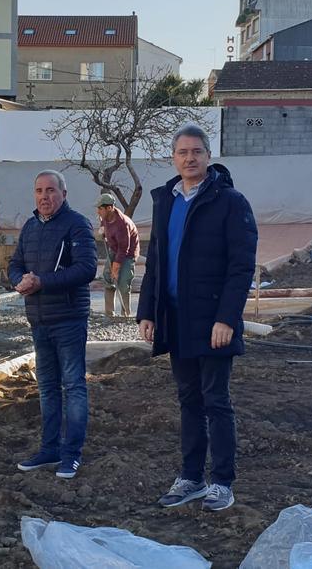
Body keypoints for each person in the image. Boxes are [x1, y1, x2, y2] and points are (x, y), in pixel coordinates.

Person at [136, 123, 257, 512]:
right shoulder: (166, 201)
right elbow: (156, 260)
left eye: (196, 152)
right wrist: (147, 311)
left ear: (208, 156)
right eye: (182, 153)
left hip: (213, 321)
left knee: (215, 400)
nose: (189, 159)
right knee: (188, 400)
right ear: (174, 158)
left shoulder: (230, 201)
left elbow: (241, 267)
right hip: (175, 316)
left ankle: (222, 481)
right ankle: (191, 477)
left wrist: (226, 317)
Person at [8, 170, 97, 480]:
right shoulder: (30, 227)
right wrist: (20, 280)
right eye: (39, 191)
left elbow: (86, 269)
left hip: (69, 320)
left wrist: (42, 282)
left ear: (63, 193)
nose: (44, 196)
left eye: (50, 190)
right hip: (39, 319)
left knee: (73, 386)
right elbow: (14, 263)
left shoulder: (77, 225)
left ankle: (71, 455)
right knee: (46, 388)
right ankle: (49, 449)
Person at [95, 193, 139, 317]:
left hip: (128, 253)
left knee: (123, 282)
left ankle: (126, 314)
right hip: (114, 249)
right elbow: (103, 227)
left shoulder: (122, 224)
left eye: (100, 208)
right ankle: (109, 314)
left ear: (109, 208)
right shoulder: (106, 217)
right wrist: (102, 231)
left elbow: (123, 249)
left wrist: (116, 268)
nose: (98, 211)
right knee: (108, 278)